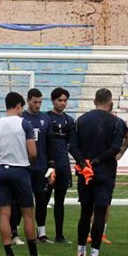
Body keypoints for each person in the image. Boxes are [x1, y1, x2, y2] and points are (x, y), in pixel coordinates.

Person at [0, 91, 49, 256]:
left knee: (4, 214)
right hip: (20, 170)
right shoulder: (24, 124)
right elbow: (33, 153)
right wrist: (27, 160)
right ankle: (33, 255)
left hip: (1, 171)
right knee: (28, 213)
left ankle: (9, 255)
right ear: (19, 106)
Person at [71, 88, 126, 256]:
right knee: (100, 212)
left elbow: (72, 146)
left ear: (94, 101)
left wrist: (83, 163)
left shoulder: (81, 120)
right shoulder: (117, 122)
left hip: (84, 173)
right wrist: (95, 162)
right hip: (104, 172)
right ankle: (94, 255)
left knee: (85, 212)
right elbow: (115, 148)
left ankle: (80, 253)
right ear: (110, 103)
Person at [21, 88, 55, 243]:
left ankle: (41, 233)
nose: (38, 105)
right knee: (23, 201)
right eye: (35, 102)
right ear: (28, 100)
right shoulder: (21, 118)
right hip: (25, 166)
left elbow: (49, 143)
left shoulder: (45, 119)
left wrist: (51, 164)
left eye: (40, 102)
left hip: (41, 167)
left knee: (42, 200)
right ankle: (16, 233)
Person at [48, 87, 79, 243]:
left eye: (65, 100)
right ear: (53, 100)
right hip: (47, 164)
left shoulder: (69, 121)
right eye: (60, 100)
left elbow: (72, 145)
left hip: (63, 164)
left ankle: (59, 235)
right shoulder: (46, 118)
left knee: (60, 201)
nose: (63, 103)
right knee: (42, 199)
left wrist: (80, 160)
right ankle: (40, 233)